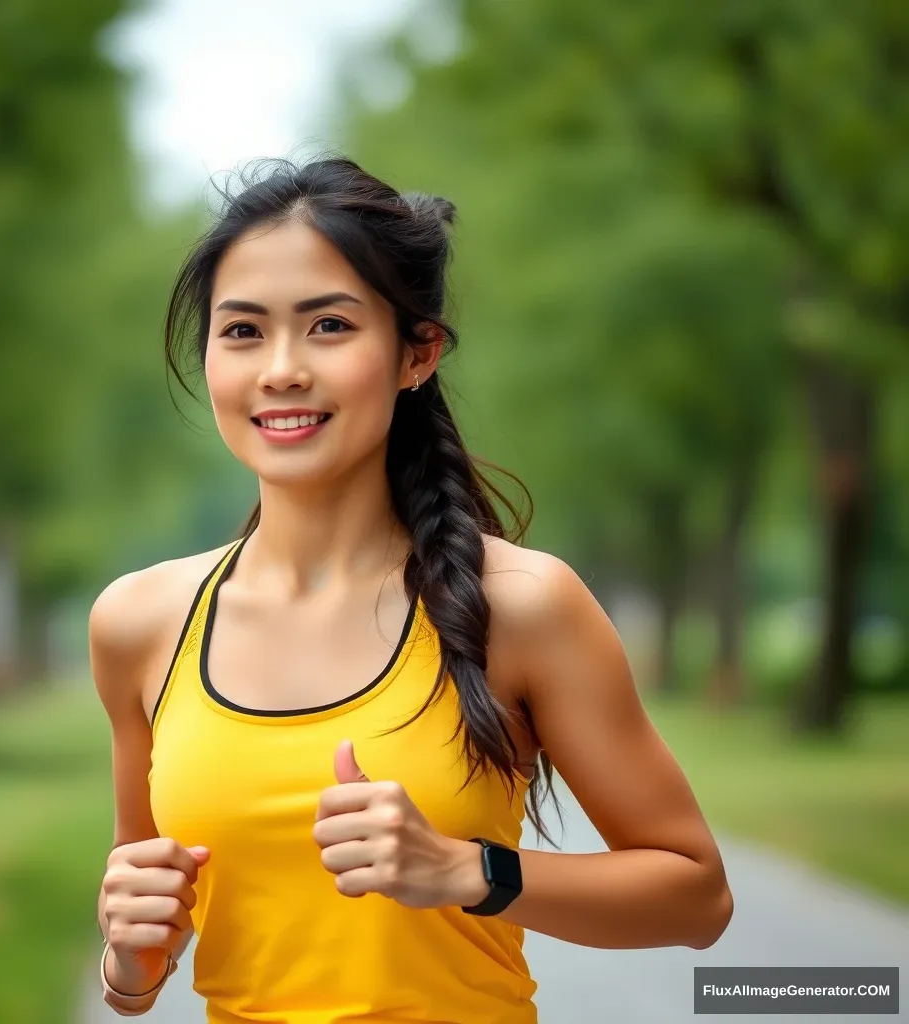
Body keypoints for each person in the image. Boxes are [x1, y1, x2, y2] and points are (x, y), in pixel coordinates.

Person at [91, 156, 733, 1022]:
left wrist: (468, 871)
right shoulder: (139, 623)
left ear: (416, 353)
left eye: (328, 326)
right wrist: (128, 966)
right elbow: (147, 940)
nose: (280, 369)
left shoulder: (525, 604)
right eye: (242, 331)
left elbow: (696, 897)